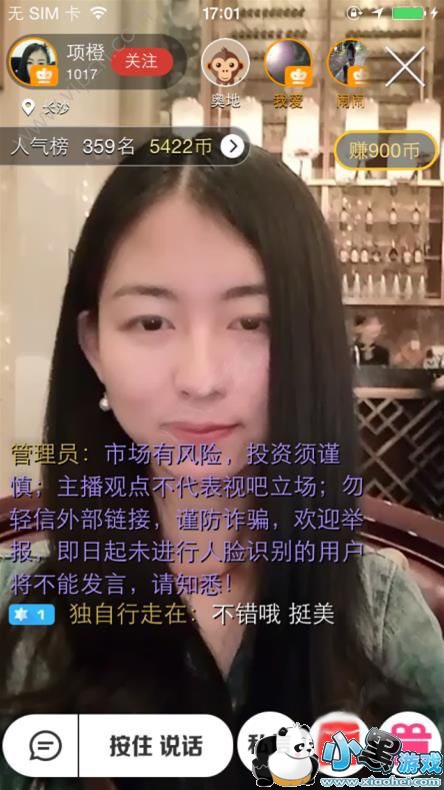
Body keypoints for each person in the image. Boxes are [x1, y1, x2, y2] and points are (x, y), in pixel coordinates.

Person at [0, 144, 443, 790]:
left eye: (252, 322)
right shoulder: (22, 618)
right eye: (151, 321)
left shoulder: (379, 619)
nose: (201, 378)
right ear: (93, 347)